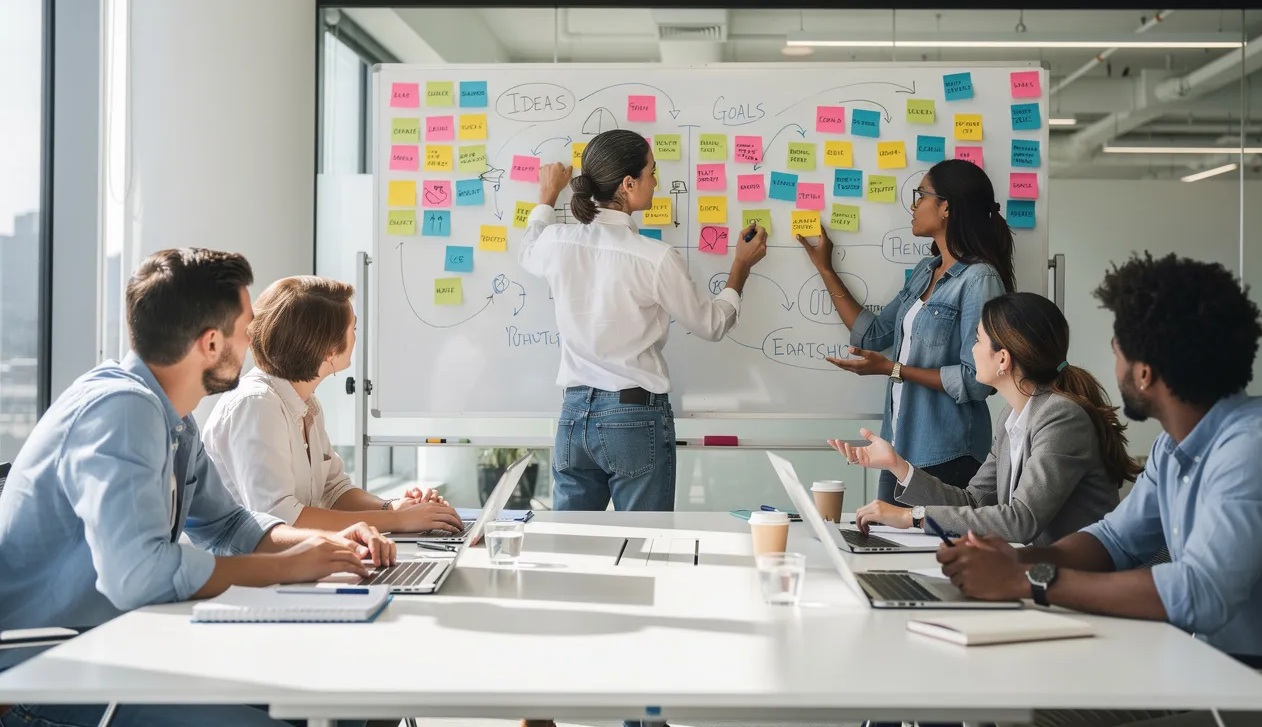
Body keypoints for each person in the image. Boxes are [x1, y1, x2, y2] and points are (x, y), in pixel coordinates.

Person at [937, 253, 1262, 723]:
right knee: (1012, 697)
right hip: (1221, 678)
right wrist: (1017, 559)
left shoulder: (1258, 450)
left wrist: (1028, 581)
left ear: (1144, 373)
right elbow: (1115, 540)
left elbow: (1200, 593)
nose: (1112, 360)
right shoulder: (1177, 447)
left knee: (1029, 711)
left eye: (1116, 348)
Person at [0, 249, 395, 727]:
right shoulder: (121, 412)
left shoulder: (172, 416)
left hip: (126, 647)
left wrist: (322, 542)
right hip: (53, 675)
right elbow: (140, 576)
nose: (256, 341)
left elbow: (228, 523)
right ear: (211, 343)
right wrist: (286, 567)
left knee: (347, 705)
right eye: (246, 329)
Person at [518, 129, 768, 513]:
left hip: (572, 416)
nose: (657, 181)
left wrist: (547, 197)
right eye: (652, 172)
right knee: (644, 547)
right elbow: (712, 325)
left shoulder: (556, 242)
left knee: (572, 549)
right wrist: (740, 268)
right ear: (629, 184)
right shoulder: (655, 257)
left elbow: (528, 251)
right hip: (632, 418)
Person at [830, 292, 1137, 546]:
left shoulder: (1061, 417)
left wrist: (912, 516)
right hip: (1032, 572)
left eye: (977, 341)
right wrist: (897, 465)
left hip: (1075, 582)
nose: (972, 351)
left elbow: (1021, 521)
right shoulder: (1013, 415)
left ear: (1003, 359)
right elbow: (973, 501)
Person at [800, 158, 1015, 498]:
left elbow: (976, 381)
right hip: (900, 447)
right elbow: (872, 335)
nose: (913, 206)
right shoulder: (926, 270)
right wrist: (824, 268)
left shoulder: (979, 279)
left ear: (946, 207)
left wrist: (893, 369)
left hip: (948, 454)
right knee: (888, 545)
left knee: (926, 551)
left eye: (921, 195)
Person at [203, 276, 463, 534]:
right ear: (328, 350)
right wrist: (400, 521)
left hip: (296, 562)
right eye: (354, 329)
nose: (356, 337)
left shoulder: (306, 404)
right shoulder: (256, 405)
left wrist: (395, 508)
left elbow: (334, 491)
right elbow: (280, 519)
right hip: (251, 571)